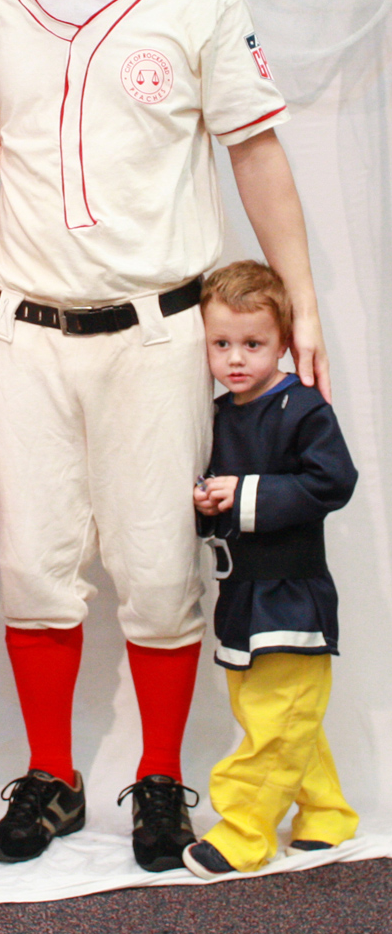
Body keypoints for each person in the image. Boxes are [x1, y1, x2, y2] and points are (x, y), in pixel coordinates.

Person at [0, 0, 330, 872]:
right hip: (24, 333)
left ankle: (163, 779)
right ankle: (51, 777)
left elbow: (254, 150)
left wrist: (301, 300)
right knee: (34, 571)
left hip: (156, 334)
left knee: (161, 569)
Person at [184, 261, 358, 878]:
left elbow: (335, 481)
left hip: (293, 589)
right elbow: (214, 492)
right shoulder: (214, 414)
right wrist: (208, 504)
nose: (236, 359)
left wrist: (248, 494)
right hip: (240, 592)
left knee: (278, 719)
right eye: (222, 344)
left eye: (253, 344)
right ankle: (328, 814)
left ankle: (243, 831)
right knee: (275, 715)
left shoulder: (302, 406)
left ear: (283, 342)